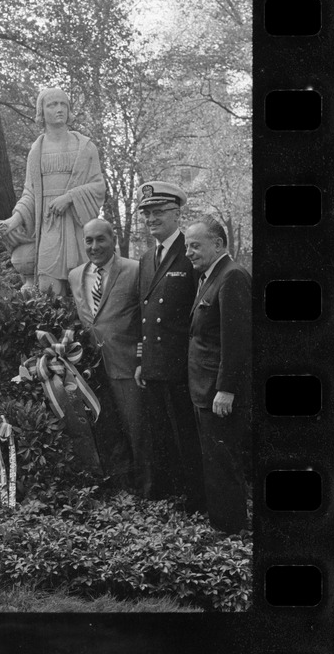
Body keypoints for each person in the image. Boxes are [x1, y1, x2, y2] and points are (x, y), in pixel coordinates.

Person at [134, 181, 206, 514]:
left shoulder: (191, 252)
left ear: (177, 213)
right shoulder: (147, 257)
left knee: (186, 434)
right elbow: (144, 314)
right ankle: (167, 495)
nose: (151, 218)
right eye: (147, 213)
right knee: (160, 433)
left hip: (181, 364)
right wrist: (140, 359)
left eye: (159, 211)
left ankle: (195, 500)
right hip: (153, 363)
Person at [0, 87, 106, 295]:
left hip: (78, 227)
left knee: (84, 294)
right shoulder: (36, 152)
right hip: (50, 229)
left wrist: (70, 198)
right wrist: (14, 220)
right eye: (52, 105)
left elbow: (98, 187)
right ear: (41, 111)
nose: (59, 109)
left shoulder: (85, 148)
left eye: (63, 104)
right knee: (49, 294)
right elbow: (30, 194)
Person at [68, 218, 150, 494]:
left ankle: (147, 492)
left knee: (137, 430)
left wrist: (141, 358)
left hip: (127, 365)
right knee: (107, 430)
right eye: (88, 241)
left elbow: (145, 319)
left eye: (100, 239)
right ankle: (120, 487)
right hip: (92, 369)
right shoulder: (75, 275)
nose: (94, 246)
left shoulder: (135, 270)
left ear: (113, 239)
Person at [185, 217, 251, 534]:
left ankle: (230, 530)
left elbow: (236, 341)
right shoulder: (210, 276)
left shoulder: (232, 276)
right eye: (187, 246)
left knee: (223, 462)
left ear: (219, 244)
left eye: (195, 245)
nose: (189, 252)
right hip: (204, 389)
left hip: (217, 392)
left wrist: (226, 390)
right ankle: (221, 524)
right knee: (214, 460)